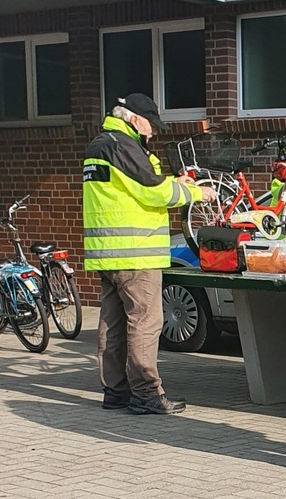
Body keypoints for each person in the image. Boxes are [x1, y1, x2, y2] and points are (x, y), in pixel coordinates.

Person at [82, 93, 216, 414]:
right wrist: (197, 192)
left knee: (113, 325)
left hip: (108, 253)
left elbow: (135, 187)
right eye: (150, 125)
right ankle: (145, 393)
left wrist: (172, 180)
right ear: (134, 119)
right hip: (136, 255)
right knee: (144, 323)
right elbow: (154, 192)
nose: (152, 132)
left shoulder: (100, 145)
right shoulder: (123, 146)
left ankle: (115, 391)